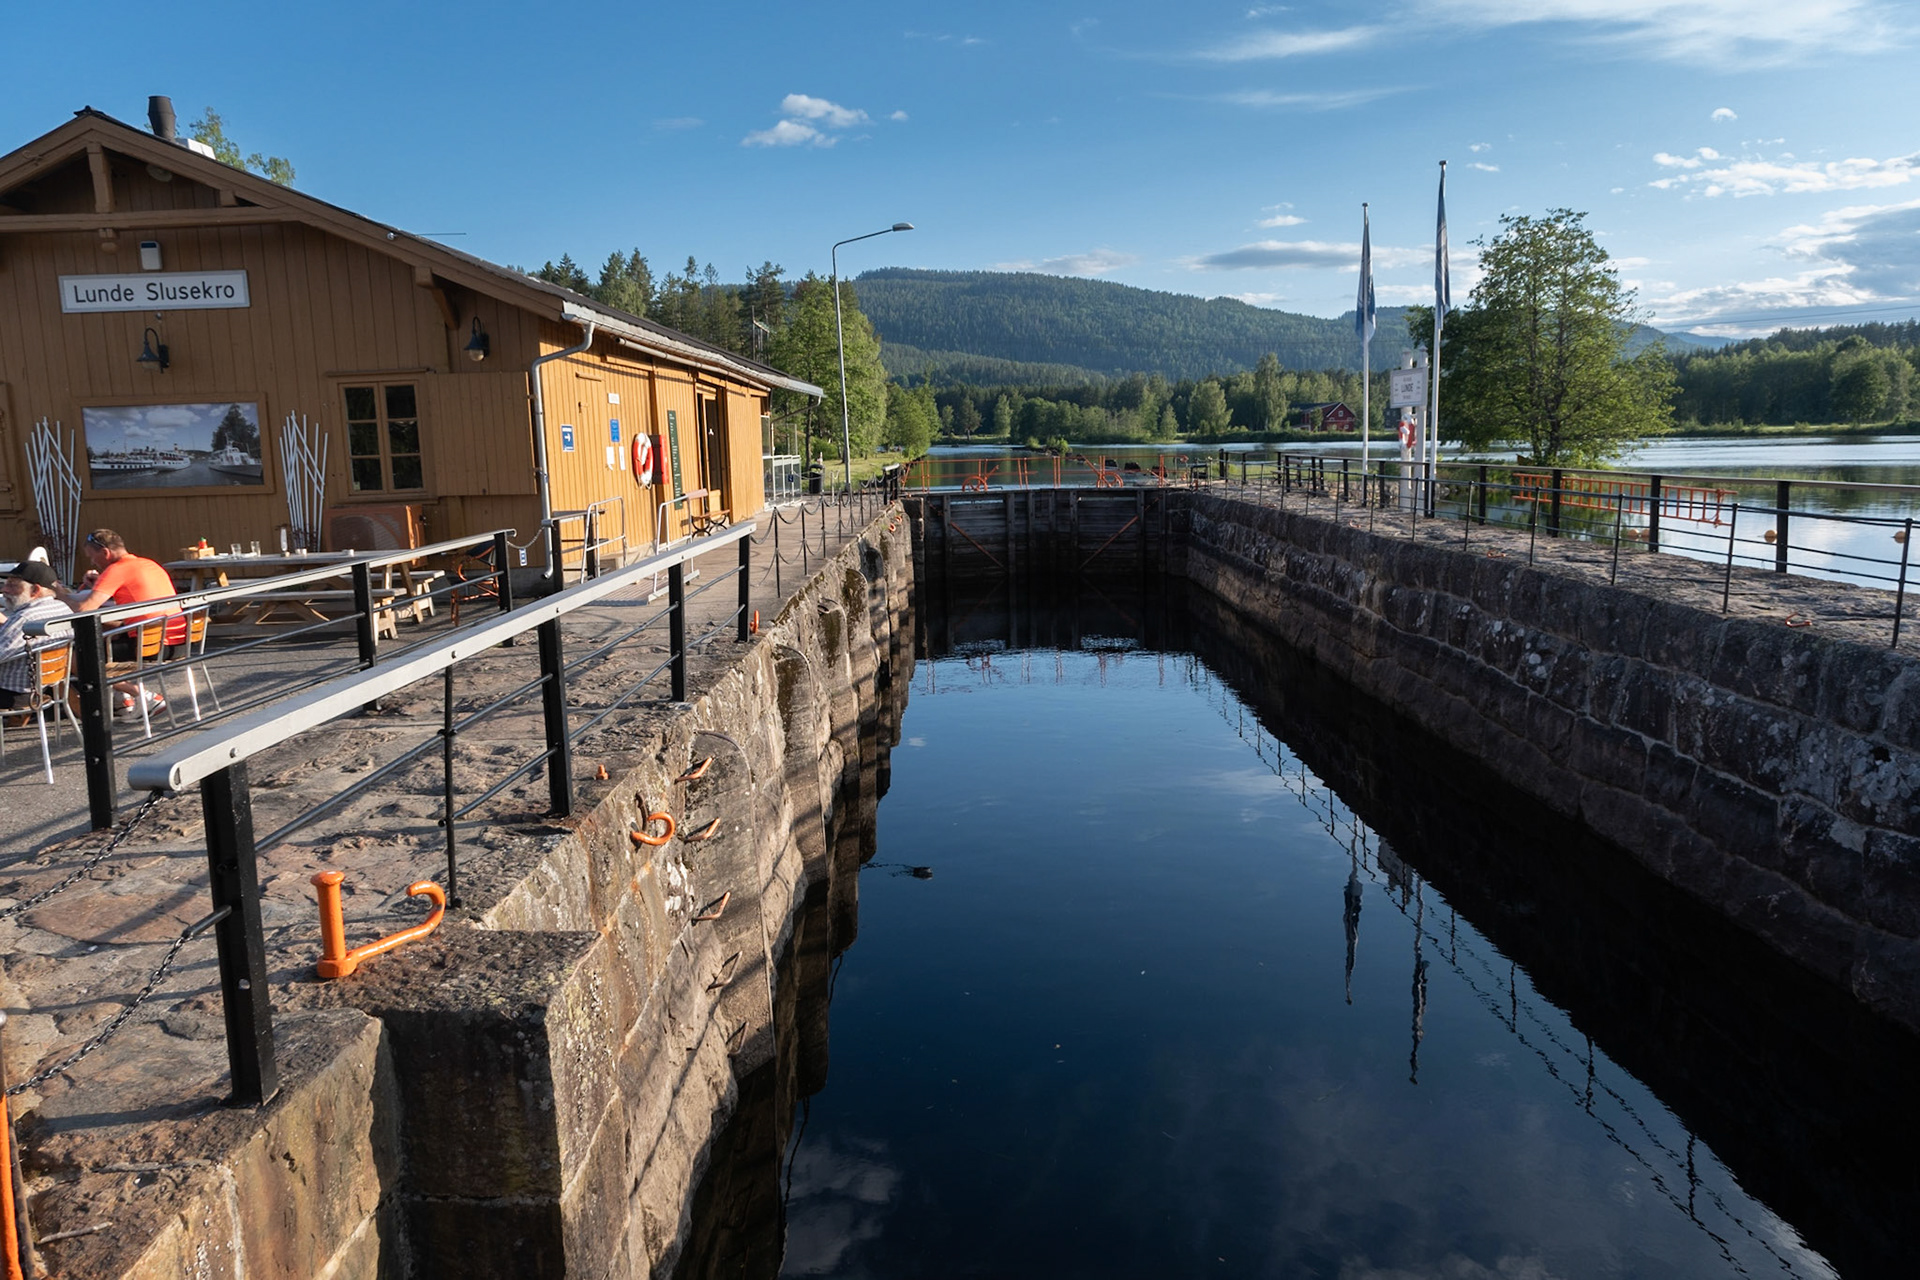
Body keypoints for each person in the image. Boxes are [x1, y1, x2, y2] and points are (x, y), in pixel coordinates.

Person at [58, 528, 179, 719]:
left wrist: (60, 594)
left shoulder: (117, 569)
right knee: (107, 632)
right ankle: (122, 701)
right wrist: (95, 585)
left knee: (77, 658)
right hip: (174, 640)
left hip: (148, 646)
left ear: (105, 552)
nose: (92, 562)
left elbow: (84, 609)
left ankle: (142, 695)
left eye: (92, 556)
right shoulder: (149, 564)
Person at [0, 561, 73, 710]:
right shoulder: (63, 609)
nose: (4, 590)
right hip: (45, 685)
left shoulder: (25, 618)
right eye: (5, 584)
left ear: (35, 590)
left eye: (12, 585)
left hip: (15, 694)